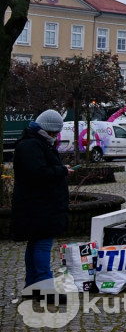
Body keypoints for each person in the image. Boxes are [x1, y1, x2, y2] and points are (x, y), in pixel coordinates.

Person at [11, 109, 72, 291]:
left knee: (36, 244)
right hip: (38, 206)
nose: (55, 136)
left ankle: (32, 287)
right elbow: (38, 173)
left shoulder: (36, 143)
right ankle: (46, 289)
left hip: (38, 204)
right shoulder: (32, 145)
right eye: (54, 132)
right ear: (46, 129)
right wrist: (62, 170)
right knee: (42, 245)